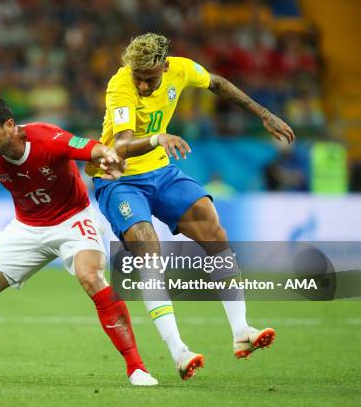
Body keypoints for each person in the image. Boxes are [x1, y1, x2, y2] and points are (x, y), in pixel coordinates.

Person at [0, 96, 158, 386]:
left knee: (92, 277)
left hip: (72, 219)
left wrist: (107, 156)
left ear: (9, 125)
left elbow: (88, 147)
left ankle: (136, 368)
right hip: (26, 226)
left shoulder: (45, 137)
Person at [87, 33, 295, 380]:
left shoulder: (180, 70)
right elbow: (121, 146)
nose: (141, 83)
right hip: (117, 179)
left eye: (148, 77)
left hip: (160, 171)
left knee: (213, 228)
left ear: (165, 67)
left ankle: (242, 331)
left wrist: (262, 112)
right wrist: (157, 138)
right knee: (147, 248)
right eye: (136, 75)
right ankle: (179, 351)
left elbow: (216, 82)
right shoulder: (120, 85)